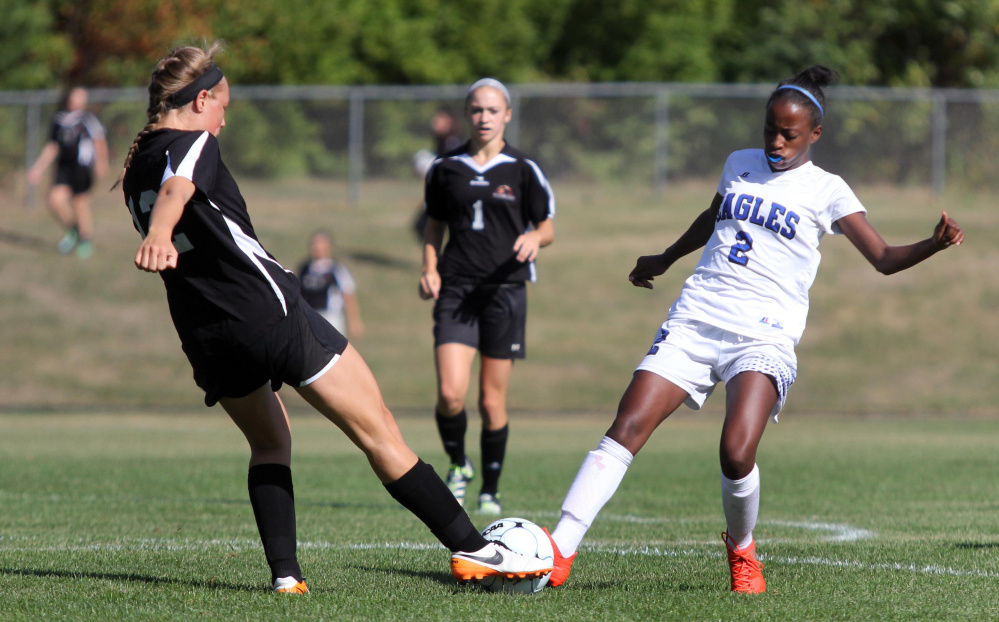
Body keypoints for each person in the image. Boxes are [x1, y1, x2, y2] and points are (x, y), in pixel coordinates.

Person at [115, 42, 551, 594]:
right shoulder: (193, 142)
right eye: (223, 103)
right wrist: (158, 234)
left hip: (207, 335)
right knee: (379, 432)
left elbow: (171, 198)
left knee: (270, 443)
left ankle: (286, 579)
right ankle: (479, 551)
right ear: (201, 100)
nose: (226, 115)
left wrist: (157, 233)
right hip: (269, 314)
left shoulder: (134, 166)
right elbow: (179, 189)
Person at [542, 66, 964, 594]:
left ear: (815, 134)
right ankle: (559, 549)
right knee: (627, 424)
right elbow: (713, 216)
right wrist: (667, 257)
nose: (777, 142)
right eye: (770, 129)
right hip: (697, 316)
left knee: (737, 451)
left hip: (763, 333)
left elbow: (881, 257)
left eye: (790, 133)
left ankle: (741, 549)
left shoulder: (827, 190)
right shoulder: (738, 164)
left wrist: (933, 243)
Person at [419, 78, 555, 515]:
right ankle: (459, 464)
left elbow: (547, 226)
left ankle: (490, 490)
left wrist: (536, 238)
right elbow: (434, 226)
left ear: (507, 115)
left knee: (491, 401)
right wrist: (429, 267)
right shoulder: (445, 167)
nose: (484, 117)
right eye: (476, 110)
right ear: (466, 114)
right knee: (449, 394)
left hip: (505, 292)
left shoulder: (523, 169)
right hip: (457, 290)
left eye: (493, 110)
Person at [27, 86, 109, 258]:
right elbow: (52, 146)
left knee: (80, 203)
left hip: (82, 167)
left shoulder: (87, 118)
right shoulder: (58, 120)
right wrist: (38, 168)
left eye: (82, 97)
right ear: (68, 98)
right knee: (54, 200)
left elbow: (99, 140)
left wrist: (101, 162)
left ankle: (85, 241)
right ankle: (74, 229)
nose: (79, 101)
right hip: (63, 167)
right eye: (76, 97)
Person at [298, 230, 364, 338]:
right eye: (314, 243)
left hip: (330, 317)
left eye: (321, 243)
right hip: (309, 316)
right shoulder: (305, 268)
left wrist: (354, 321)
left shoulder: (336, 269)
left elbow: (348, 293)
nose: (317, 247)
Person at [412, 107, 465, 241]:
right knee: (424, 227)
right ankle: (437, 259)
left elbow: (452, 168)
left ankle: (438, 259)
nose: (434, 121)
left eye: (439, 118)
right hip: (441, 194)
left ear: (449, 121)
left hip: (450, 194)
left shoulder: (452, 142)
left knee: (424, 226)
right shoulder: (441, 140)